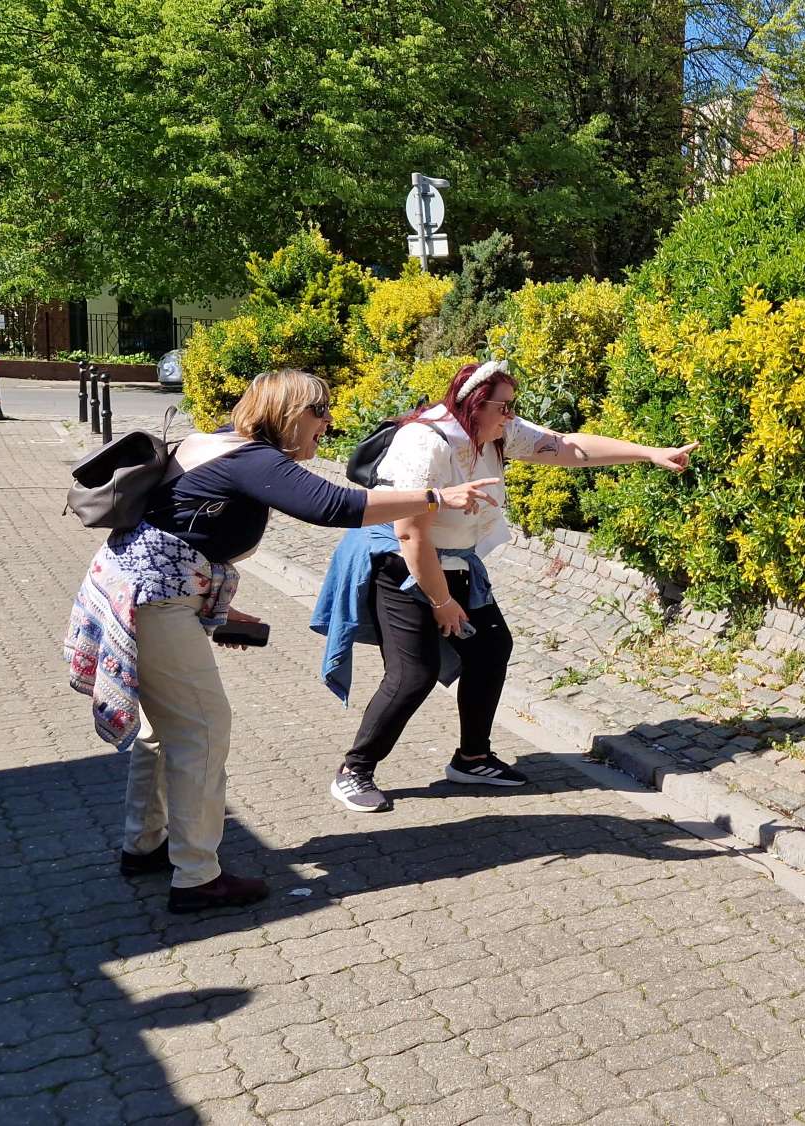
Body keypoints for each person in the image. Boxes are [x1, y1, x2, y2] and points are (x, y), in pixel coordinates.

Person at [65, 369, 499, 913]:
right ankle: (197, 877)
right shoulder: (254, 458)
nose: (329, 423)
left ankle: (145, 845)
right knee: (201, 729)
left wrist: (212, 607)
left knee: (166, 727)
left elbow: (180, 530)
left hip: (140, 586)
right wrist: (436, 497)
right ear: (290, 413)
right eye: (321, 412)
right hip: (154, 599)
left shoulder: (217, 440)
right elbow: (336, 508)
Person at [315, 360, 695, 813]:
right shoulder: (424, 441)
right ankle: (355, 769)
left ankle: (472, 757)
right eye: (505, 407)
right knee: (412, 674)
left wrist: (649, 452)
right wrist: (442, 602)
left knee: (491, 649)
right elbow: (411, 534)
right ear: (475, 403)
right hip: (401, 566)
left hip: (455, 562)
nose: (511, 417)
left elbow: (567, 447)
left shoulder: (495, 431)